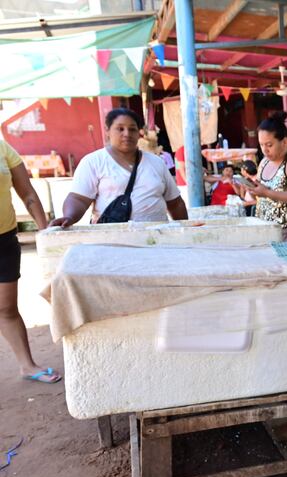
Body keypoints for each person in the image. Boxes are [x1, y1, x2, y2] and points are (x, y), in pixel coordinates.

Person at [49, 108, 188, 226]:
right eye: (120, 129)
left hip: (157, 239)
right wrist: (69, 217)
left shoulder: (156, 162)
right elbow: (79, 198)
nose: (126, 134)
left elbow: (175, 203)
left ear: (138, 133)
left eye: (132, 129)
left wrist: (186, 231)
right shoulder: (93, 162)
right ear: (108, 131)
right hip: (111, 240)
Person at [0, 139, 61, 383]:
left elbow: (26, 193)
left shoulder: (3, 148)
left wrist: (45, 231)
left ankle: (27, 365)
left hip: (3, 239)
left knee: (6, 308)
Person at [244, 111, 287, 240]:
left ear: (285, 142)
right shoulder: (264, 162)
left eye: (269, 145)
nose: (264, 150)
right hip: (264, 231)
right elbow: (262, 191)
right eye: (261, 145)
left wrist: (268, 193)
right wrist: (253, 189)